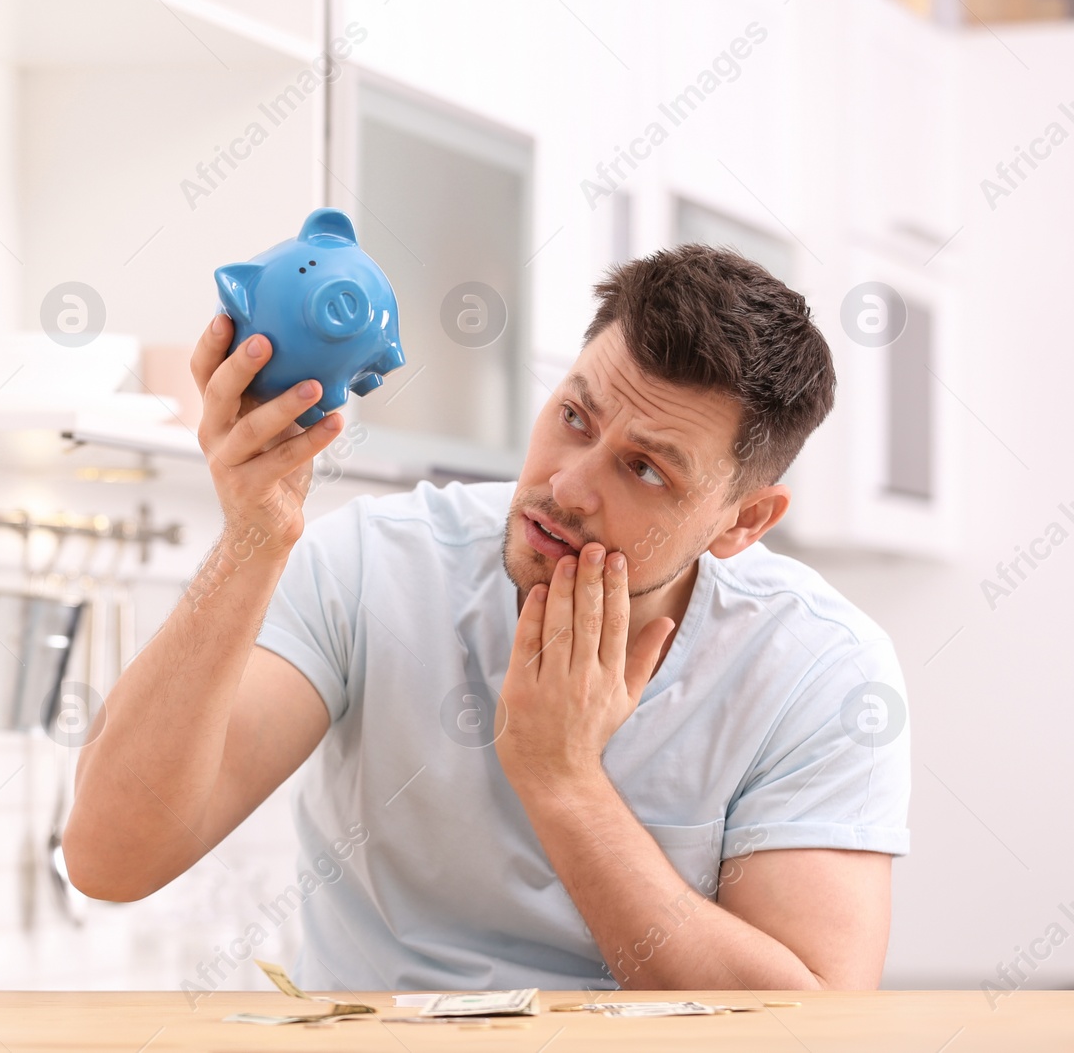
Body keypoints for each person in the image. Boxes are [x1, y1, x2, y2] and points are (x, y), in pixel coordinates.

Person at [61, 244, 910, 992]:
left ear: (743, 521)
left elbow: (810, 1021)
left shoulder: (817, 669)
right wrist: (251, 538)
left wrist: (563, 781)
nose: (569, 485)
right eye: (574, 417)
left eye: (646, 470)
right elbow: (109, 859)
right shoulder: (371, 566)